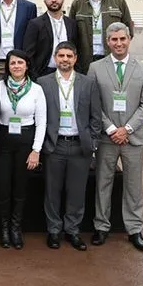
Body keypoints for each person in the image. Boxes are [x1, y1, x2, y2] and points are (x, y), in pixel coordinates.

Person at [88, 22, 143, 252]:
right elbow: (93, 103)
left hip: (133, 138)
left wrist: (126, 129)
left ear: (129, 39)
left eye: (122, 39)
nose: (118, 43)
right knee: (103, 183)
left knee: (133, 185)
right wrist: (110, 129)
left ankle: (134, 229)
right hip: (107, 138)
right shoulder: (95, 68)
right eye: (114, 40)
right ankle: (101, 226)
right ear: (107, 41)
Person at [39, 41, 102, 251]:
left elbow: (95, 117)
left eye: (69, 56)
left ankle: (73, 231)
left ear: (75, 59)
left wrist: (92, 143)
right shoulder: (43, 83)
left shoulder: (88, 83)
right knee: (52, 191)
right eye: (61, 55)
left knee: (76, 192)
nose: (65, 59)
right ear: (55, 58)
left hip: (79, 146)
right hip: (54, 145)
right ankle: (54, 231)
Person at [0, 49, 47, 250]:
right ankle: (4, 228)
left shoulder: (36, 90)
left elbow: (42, 122)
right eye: (13, 63)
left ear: (27, 66)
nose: (16, 66)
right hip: (3, 141)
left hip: (26, 140)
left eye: (20, 63)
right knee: (2, 187)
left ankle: (16, 228)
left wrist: (36, 150)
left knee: (20, 188)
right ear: (7, 66)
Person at [68, 0, 135, 66]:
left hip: (111, 59)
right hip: (84, 62)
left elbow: (129, 31)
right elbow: (71, 35)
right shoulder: (77, 4)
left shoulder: (119, 2)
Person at [23, 0, 78, 79]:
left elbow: (77, 48)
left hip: (68, 73)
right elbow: (29, 54)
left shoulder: (72, 23)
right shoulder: (35, 24)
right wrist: (34, 76)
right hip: (44, 74)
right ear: (44, 1)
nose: (53, 0)